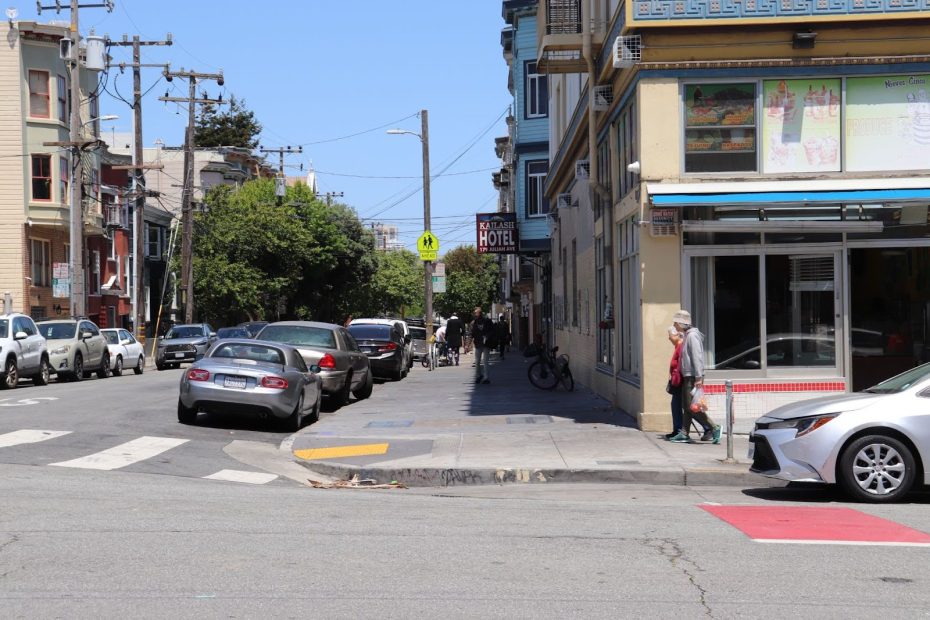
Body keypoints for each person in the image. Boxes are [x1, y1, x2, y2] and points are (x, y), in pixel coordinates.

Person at [669, 310, 721, 444]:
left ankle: (714, 427)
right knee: (687, 406)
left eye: (676, 322)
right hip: (689, 375)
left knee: (691, 407)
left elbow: (697, 357)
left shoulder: (692, 336)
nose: (674, 325)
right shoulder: (687, 335)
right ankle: (684, 433)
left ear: (681, 323)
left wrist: (698, 377)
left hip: (692, 376)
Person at [665, 325, 684, 441]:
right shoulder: (678, 346)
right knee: (676, 406)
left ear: (676, 335)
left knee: (685, 407)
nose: (669, 338)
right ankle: (677, 429)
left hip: (680, 381)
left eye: (670, 335)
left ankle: (709, 427)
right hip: (676, 381)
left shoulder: (681, 346)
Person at [471, 306, 494, 384]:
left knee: (485, 361)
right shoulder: (474, 322)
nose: (474, 314)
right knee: (477, 361)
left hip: (486, 344)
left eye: (475, 313)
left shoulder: (487, 321)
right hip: (478, 344)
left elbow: (492, 331)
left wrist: (487, 336)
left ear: (480, 313)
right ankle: (479, 375)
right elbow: (472, 333)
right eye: (474, 313)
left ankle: (486, 377)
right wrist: (468, 344)